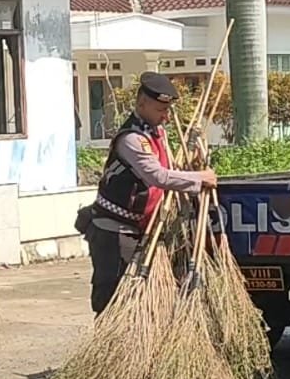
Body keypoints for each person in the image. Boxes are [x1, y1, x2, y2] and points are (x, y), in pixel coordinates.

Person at [84, 72, 216, 313]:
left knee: (140, 301)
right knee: (114, 297)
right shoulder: (132, 139)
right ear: (142, 103)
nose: (166, 116)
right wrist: (201, 178)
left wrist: (192, 164)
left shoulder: (156, 132)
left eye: (168, 110)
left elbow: (169, 170)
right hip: (115, 231)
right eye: (160, 110)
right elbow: (157, 176)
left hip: (142, 228)